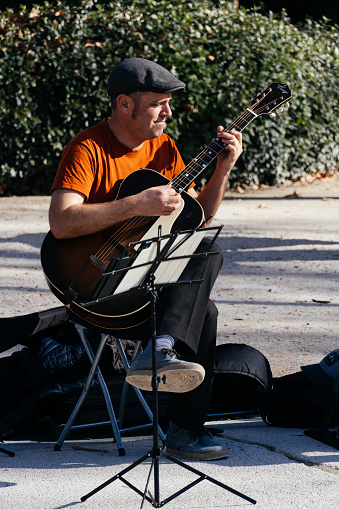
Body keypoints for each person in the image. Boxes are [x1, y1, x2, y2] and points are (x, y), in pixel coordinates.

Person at [48, 57, 242, 460]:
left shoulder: (164, 149)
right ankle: (163, 362)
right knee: (202, 301)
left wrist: (222, 170)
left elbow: (196, 220)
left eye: (168, 103)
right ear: (124, 103)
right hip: (90, 286)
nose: (168, 112)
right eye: (158, 104)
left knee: (205, 280)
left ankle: (181, 419)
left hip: (140, 277)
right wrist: (135, 203)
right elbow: (62, 223)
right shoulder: (87, 147)